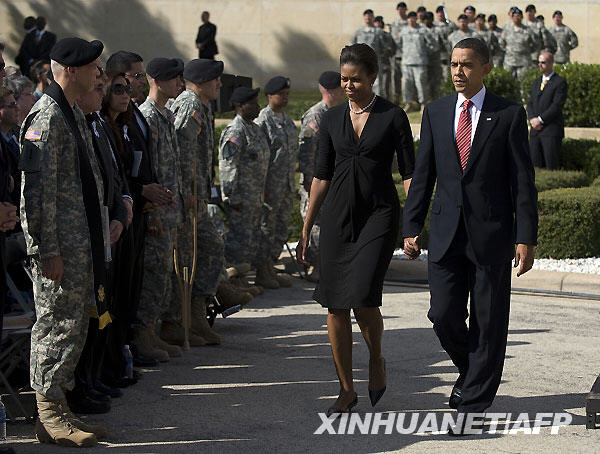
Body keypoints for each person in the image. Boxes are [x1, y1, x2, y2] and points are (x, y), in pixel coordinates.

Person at [402, 38, 538, 435]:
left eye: (466, 65)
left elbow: (522, 183)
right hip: (445, 234)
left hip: (491, 236)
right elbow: (423, 174)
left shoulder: (509, 114)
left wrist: (525, 237)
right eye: (453, 64)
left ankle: (472, 407)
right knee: (442, 316)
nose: (458, 71)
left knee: (488, 322)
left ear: (486, 68)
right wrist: (411, 227)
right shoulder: (436, 111)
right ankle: (474, 372)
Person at [297, 43, 415, 414]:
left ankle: (376, 358)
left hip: (378, 216)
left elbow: (410, 174)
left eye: (356, 79)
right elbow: (321, 176)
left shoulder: (393, 116)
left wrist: (413, 225)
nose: (348, 85)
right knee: (335, 304)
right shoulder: (330, 120)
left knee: (364, 298)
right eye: (344, 79)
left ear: (373, 77)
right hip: (337, 219)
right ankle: (346, 388)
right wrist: (306, 228)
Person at [20, 37, 108, 447]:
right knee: (55, 327)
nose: (99, 73)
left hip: (78, 244)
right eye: (93, 66)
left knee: (71, 326)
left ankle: (58, 410)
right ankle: (49, 412)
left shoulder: (70, 112)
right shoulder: (46, 117)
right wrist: (46, 250)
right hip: (59, 250)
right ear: (70, 70)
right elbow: (35, 196)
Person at [171, 58, 249, 346]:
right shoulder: (190, 104)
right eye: (215, 79)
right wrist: (186, 191)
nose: (220, 84)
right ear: (201, 82)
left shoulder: (200, 105)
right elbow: (178, 152)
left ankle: (197, 315)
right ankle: (186, 319)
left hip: (196, 196)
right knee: (195, 253)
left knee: (208, 249)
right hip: (186, 198)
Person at [71, 69, 128, 415]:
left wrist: (122, 211)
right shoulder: (81, 126)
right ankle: (79, 386)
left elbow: (113, 177)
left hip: (108, 228)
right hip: (89, 234)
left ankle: (92, 377)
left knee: (103, 308)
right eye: (99, 87)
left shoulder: (98, 126)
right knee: (89, 314)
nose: (102, 91)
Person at [136, 58, 186, 361]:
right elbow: (147, 170)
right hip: (155, 211)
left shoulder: (165, 115)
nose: (179, 84)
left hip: (169, 210)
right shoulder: (147, 117)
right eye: (173, 79)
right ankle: (142, 334)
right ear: (157, 80)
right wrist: (152, 212)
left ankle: (152, 332)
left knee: (163, 274)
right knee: (152, 274)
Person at [218, 87, 272, 287]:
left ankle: (246, 278)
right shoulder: (235, 131)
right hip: (241, 199)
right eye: (253, 103)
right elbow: (228, 167)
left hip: (255, 197)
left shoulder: (254, 129)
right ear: (240, 106)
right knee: (238, 241)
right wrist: (232, 197)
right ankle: (233, 282)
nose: (258, 107)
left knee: (251, 239)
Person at [297, 71, 344, 283]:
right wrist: (309, 180)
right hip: (316, 181)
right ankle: (316, 267)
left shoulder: (337, 112)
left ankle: (327, 265)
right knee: (315, 223)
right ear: (328, 90)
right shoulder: (316, 115)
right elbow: (307, 150)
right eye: (339, 88)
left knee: (329, 224)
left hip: (333, 180)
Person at [255, 76, 297, 289]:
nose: (285, 98)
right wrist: (262, 187)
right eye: (282, 94)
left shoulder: (287, 121)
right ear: (270, 95)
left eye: (287, 94)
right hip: (270, 187)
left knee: (280, 228)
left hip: (286, 186)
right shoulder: (263, 121)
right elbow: (260, 157)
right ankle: (262, 270)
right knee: (266, 228)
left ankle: (271, 266)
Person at [527, 51, 567, 170]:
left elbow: (556, 105)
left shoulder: (559, 82)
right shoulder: (536, 83)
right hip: (535, 131)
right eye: (538, 62)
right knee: (534, 167)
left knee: (551, 166)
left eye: (543, 62)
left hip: (551, 131)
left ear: (551, 63)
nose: (540, 65)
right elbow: (530, 104)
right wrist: (533, 119)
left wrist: (540, 120)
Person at [399, 11, 436, 112]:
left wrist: (424, 52)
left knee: (421, 84)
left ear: (416, 19)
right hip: (406, 62)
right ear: (407, 19)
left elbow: (433, 44)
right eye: (409, 18)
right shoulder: (403, 31)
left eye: (413, 18)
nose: (411, 20)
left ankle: (423, 104)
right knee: (406, 84)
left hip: (420, 62)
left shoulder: (423, 30)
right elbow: (399, 44)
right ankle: (409, 103)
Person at [351, 9, 387, 97]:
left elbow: (384, 46)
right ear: (364, 17)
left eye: (370, 16)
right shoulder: (358, 32)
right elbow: (353, 45)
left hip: (375, 62)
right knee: (361, 82)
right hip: (361, 63)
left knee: (377, 84)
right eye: (366, 16)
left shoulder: (378, 32)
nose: (368, 18)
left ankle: (377, 104)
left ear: (373, 17)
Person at [502, 7, 536, 79]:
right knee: (509, 82)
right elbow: (502, 44)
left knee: (523, 83)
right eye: (515, 16)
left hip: (524, 62)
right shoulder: (507, 30)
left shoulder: (528, 30)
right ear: (512, 17)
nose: (516, 18)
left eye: (518, 16)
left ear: (522, 17)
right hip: (509, 61)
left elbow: (534, 44)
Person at [423, 12, 444, 102]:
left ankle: (437, 98)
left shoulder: (438, 30)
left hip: (436, 59)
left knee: (437, 80)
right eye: (425, 19)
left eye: (429, 18)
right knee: (426, 81)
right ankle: (428, 100)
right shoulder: (421, 30)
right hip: (425, 60)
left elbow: (443, 43)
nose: (427, 21)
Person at [390, 2, 409, 103]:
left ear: (406, 9)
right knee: (396, 78)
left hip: (408, 56)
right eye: (399, 9)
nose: (401, 11)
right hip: (396, 55)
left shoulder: (410, 23)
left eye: (403, 9)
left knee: (408, 80)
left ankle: (410, 100)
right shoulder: (394, 24)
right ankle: (397, 99)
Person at [373, 16, 396, 100]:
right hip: (374, 65)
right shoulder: (371, 35)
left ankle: (386, 102)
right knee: (374, 85)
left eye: (380, 22)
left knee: (385, 85)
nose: (378, 24)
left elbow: (393, 48)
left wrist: (387, 54)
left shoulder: (387, 35)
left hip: (385, 63)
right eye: (376, 22)